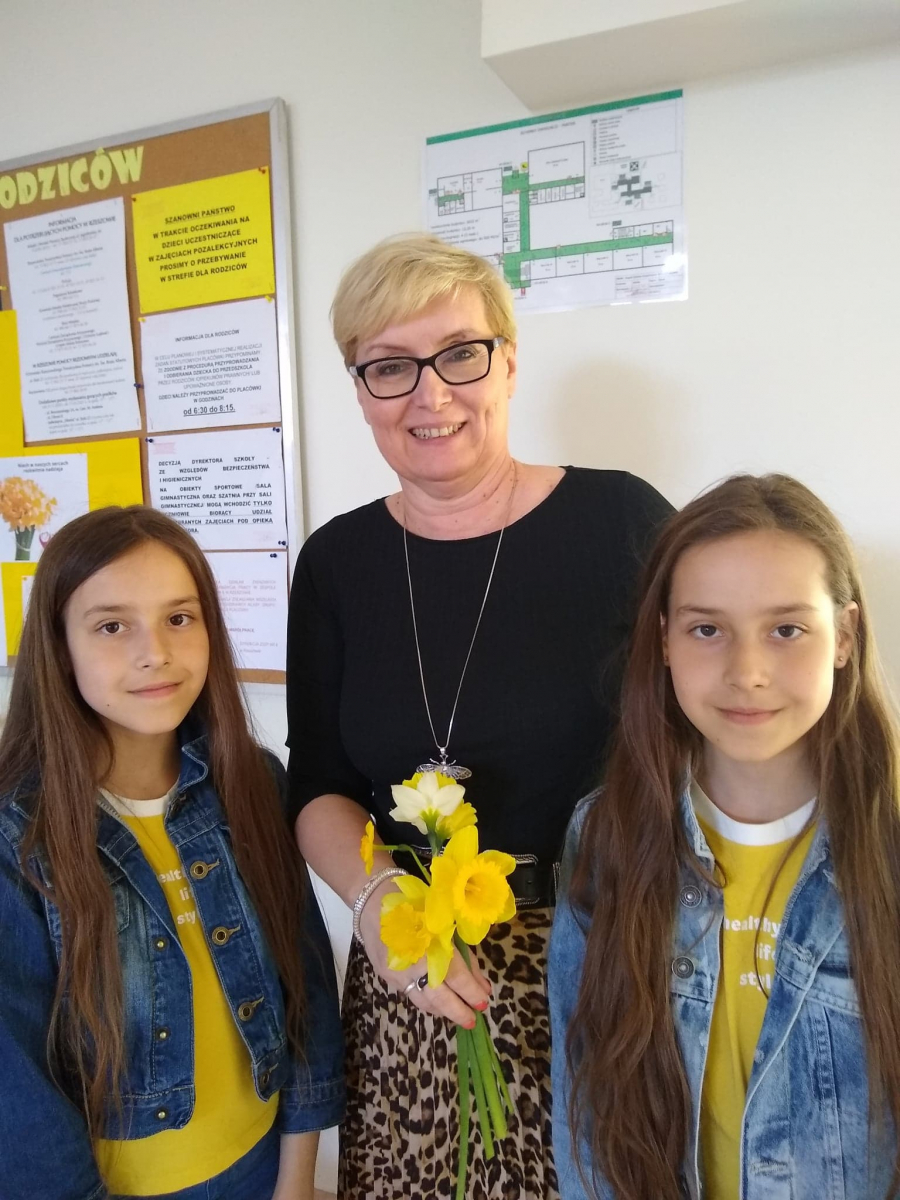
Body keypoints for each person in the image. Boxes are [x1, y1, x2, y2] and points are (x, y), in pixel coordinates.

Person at [285, 233, 672, 1199]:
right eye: (390, 367)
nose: (431, 393)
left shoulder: (622, 523)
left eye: (459, 353)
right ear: (360, 388)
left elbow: (699, 742)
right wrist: (381, 910)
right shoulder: (336, 564)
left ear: (507, 361)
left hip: (601, 968)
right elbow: (319, 786)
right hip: (413, 977)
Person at [549, 473, 900, 1200]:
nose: (748, 672)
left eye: (786, 630)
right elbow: (585, 1108)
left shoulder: (886, 845)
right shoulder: (607, 835)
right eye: (707, 629)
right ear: (664, 641)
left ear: (844, 636)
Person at [0, 507, 345, 1200]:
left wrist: (297, 1178)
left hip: (264, 1168)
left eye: (179, 618)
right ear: (59, 648)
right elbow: (18, 1091)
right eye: (111, 626)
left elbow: (304, 981)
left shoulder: (253, 784)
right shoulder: (20, 836)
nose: (154, 652)